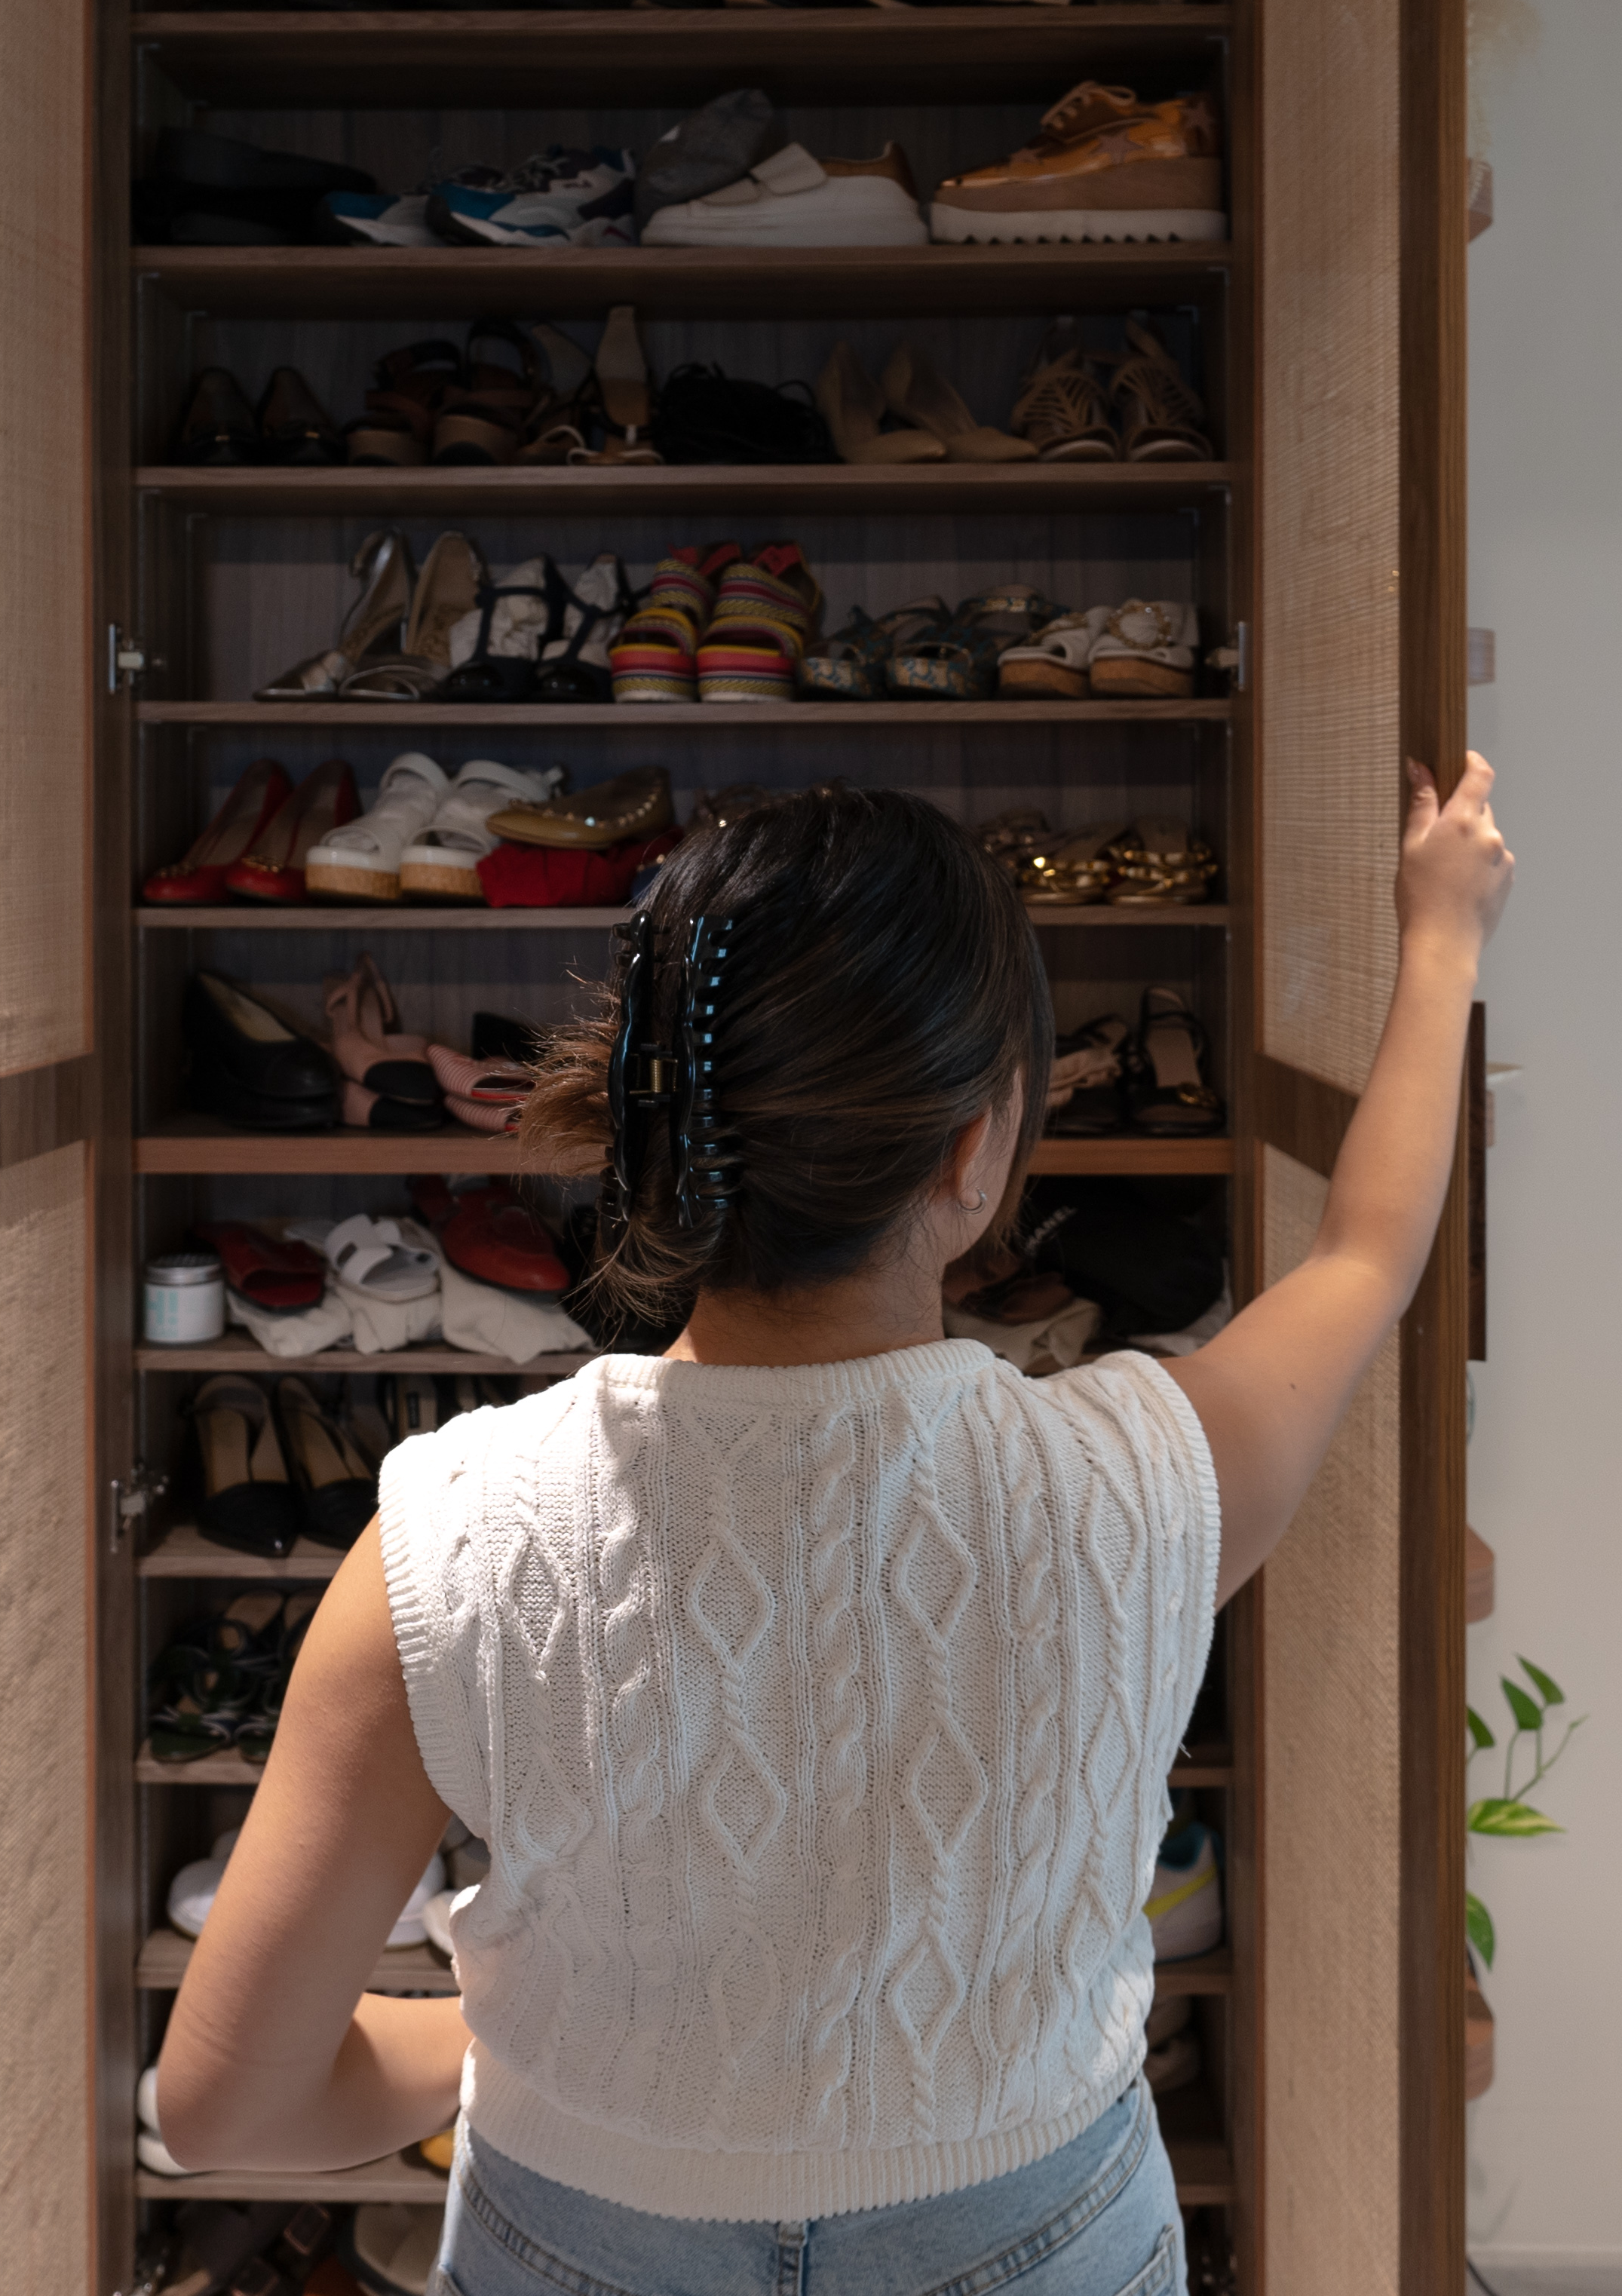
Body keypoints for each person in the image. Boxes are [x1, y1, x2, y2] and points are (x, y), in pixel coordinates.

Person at [155, 758, 1516, 2294]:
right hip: (1039, 2236)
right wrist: (1446, 930)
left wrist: (515, 2037)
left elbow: (222, 2101)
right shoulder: (1151, 1479)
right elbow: (1366, 1253)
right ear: (972, 1148)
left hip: (581, 2225)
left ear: (646, 1123)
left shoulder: (443, 1542)